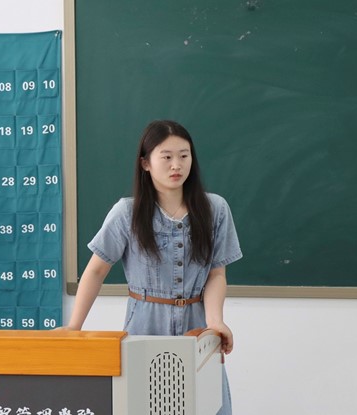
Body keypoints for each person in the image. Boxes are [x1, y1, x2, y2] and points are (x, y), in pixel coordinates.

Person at [63, 120, 242, 414]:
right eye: (166, 156)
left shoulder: (215, 209)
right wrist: (74, 326)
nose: (177, 165)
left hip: (197, 329)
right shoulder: (127, 212)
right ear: (146, 163)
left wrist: (215, 323)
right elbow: (96, 270)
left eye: (184, 155)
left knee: (206, 405)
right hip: (144, 327)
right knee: (144, 405)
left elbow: (216, 274)